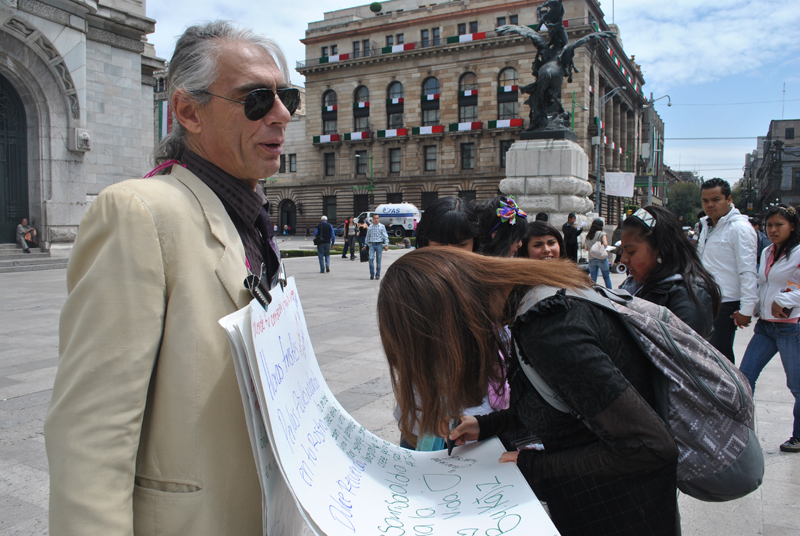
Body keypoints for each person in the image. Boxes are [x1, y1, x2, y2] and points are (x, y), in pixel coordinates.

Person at [44, 22, 300, 535]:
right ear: (188, 112)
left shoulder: (247, 213)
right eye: (256, 99)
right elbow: (93, 431)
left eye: (286, 97)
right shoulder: (139, 212)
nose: (282, 114)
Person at [378, 248, 679, 536]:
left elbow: (650, 446)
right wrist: (486, 425)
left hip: (623, 516)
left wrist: (532, 464)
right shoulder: (530, 302)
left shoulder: (550, 328)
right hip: (597, 505)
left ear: (445, 323)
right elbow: (565, 404)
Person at [739, 205, 800, 453]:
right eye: (769, 225)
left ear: (792, 226)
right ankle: (740, 433)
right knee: (744, 379)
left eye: (779, 225)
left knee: (797, 386)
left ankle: (798, 436)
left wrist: (783, 300)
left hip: (791, 329)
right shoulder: (767, 251)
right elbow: (761, 285)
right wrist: (749, 309)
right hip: (765, 327)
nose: (773, 230)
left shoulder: (798, 252)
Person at [619, 206, 721, 340]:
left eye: (631, 251)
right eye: (622, 251)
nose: (623, 259)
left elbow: (681, 350)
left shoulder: (690, 297)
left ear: (660, 249)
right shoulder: (634, 286)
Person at [697, 178, 757, 363]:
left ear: (729, 199)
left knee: (720, 358)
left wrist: (747, 309)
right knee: (706, 356)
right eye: (705, 200)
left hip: (726, 303)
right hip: (706, 299)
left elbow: (748, 270)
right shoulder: (707, 226)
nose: (710, 205)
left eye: (716, 199)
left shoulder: (740, 228)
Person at [585, 218, 612, 288]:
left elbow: (586, 248)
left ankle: (592, 292)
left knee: (593, 279)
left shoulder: (588, 235)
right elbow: (605, 244)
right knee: (606, 278)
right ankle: (610, 291)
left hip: (591, 259)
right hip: (601, 259)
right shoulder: (602, 234)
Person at [366, 213, 389, 279]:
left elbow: (385, 236)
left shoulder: (382, 226)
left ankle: (378, 274)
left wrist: (386, 244)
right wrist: (365, 244)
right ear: (373, 219)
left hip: (379, 244)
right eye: (375, 218)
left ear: (379, 219)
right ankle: (372, 274)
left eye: (377, 218)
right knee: (370, 258)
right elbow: (368, 236)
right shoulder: (370, 227)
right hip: (372, 244)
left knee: (378, 261)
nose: (376, 220)